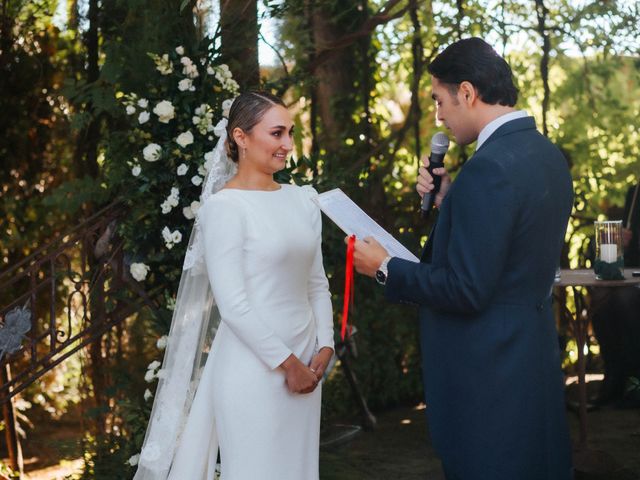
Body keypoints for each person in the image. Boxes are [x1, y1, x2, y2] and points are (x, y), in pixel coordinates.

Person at [351, 38, 573, 479]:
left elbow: (467, 288)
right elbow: (509, 251)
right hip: (530, 360)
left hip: (488, 376)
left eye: (439, 100)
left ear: (467, 92)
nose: (439, 115)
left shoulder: (488, 168)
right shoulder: (546, 155)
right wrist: (452, 200)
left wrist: (386, 268)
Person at [134, 91, 335, 480]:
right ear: (241, 137)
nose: (288, 145)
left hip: (308, 362)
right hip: (254, 367)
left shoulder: (304, 200)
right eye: (277, 133)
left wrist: (324, 345)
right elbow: (234, 305)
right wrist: (288, 364)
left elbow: (317, 284)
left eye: (290, 133)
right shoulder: (225, 208)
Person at [591, 181, 640, 406]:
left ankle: (631, 379)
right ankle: (614, 376)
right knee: (602, 300)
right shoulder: (636, 191)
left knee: (624, 300)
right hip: (634, 274)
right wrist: (623, 239)